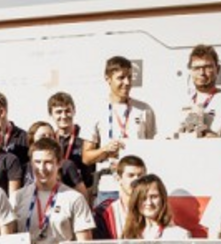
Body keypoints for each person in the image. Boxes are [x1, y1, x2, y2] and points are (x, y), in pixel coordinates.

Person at [83, 56, 156, 200]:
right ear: (108, 78)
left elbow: (151, 149)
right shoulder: (94, 110)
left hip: (138, 187)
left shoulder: (144, 109)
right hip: (109, 187)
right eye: (121, 78)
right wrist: (105, 150)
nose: (127, 83)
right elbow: (86, 158)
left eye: (129, 77)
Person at [175, 44, 221, 139]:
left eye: (207, 67)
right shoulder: (181, 103)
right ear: (190, 71)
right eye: (196, 68)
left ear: (217, 69)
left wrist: (217, 141)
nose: (202, 73)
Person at [24, 121, 89, 195]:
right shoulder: (25, 167)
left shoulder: (67, 165)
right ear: (32, 140)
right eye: (43, 136)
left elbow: (83, 196)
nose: (47, 139)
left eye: (50, 136)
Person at [48, 91, 92, 191]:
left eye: (67, 111)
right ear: (51, 114)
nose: (64, 116)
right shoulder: (50, 140)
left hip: (83, 191)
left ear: (74, 111)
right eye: (58, 112)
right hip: (56, 191)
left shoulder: (86, 136)